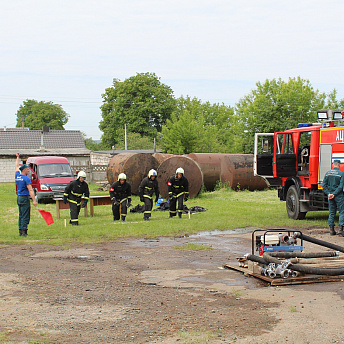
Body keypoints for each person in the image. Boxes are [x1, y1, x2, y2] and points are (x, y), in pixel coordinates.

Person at [15, 153, 38, 236]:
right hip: (25, 198)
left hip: (19, 198)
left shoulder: (17, 175)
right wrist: (34, 200)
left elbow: (16, 167)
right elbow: (31, 190)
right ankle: (24, 232)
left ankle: (20, 231)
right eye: (28, 169)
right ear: (24, 170)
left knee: (21, 215)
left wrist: (17, 158)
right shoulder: (26, 179)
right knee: (25, 215)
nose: (28, 171)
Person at [322, 159, 344, 236]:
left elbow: (324, 185)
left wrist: (329, 194)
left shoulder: (328, 173)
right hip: (338, 195)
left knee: (331, 212)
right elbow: (341, 186)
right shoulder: (341, 173)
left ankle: (331, 230)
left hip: (330, 195)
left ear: (333, 164)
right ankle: (340, 229)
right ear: (339, 165)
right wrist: (335, 194)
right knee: (341, 211)